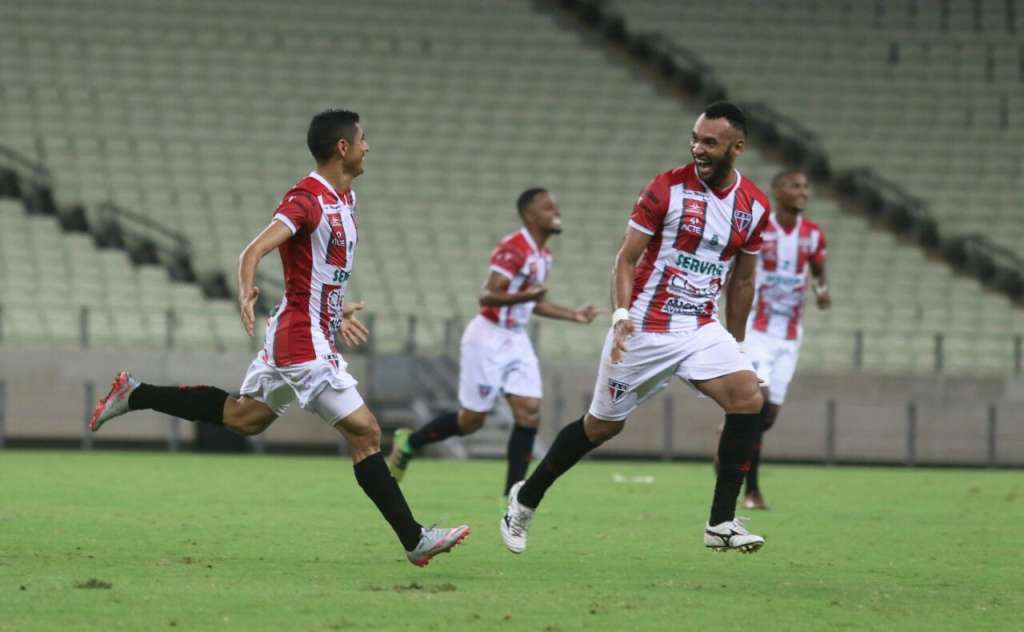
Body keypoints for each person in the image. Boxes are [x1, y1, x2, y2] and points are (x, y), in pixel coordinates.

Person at [88, 109, 469, 567]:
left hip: (303, 328)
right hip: (301, 339)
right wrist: (246, 286)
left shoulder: (344, 200)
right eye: (364, 138)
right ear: (342, 147)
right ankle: (415, 539)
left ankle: (136, 393)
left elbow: (317, 271)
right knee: (367, 433)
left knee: (245, 418)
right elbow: (255, 249)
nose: (369, 146)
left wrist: (335, 307)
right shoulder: (306, 198)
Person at [500, 102, 771, 555]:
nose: (697, 148)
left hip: (701, 326)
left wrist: (738, 342)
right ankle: (525, 498)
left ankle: (721, 522)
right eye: (695, 138)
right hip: (645, 327)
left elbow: (743, 279)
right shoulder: (665, 189)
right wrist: (621, 315)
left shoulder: (753, 206)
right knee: (601, 428)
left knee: (749, 399)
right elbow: (626, 259)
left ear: (737, 147)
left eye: (710, 142)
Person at [387, 188, 598, 496]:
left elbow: (531, 303)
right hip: (487, 336)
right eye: (548, 207)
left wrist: (573, 314)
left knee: (529, 411)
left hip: (516, 337)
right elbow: (487, 295)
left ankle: (513, 497)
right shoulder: (514, 249)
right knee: (472, 421)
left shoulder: (544, 256)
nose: (556, 211)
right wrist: (527, 294)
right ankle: (410, 443)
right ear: (530, 215)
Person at [739, 169, 830, 510]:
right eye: (795, 185)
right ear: (777, 192)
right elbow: (741, 270)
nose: (802, 191)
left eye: (806, 186)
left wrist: (822, 291)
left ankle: (730, 440)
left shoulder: (813, 235)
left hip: (790, 336)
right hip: (758, 330)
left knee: (767, 418)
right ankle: (751, 491)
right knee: (756, 400)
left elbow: (819, 271)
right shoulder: (761, 230)